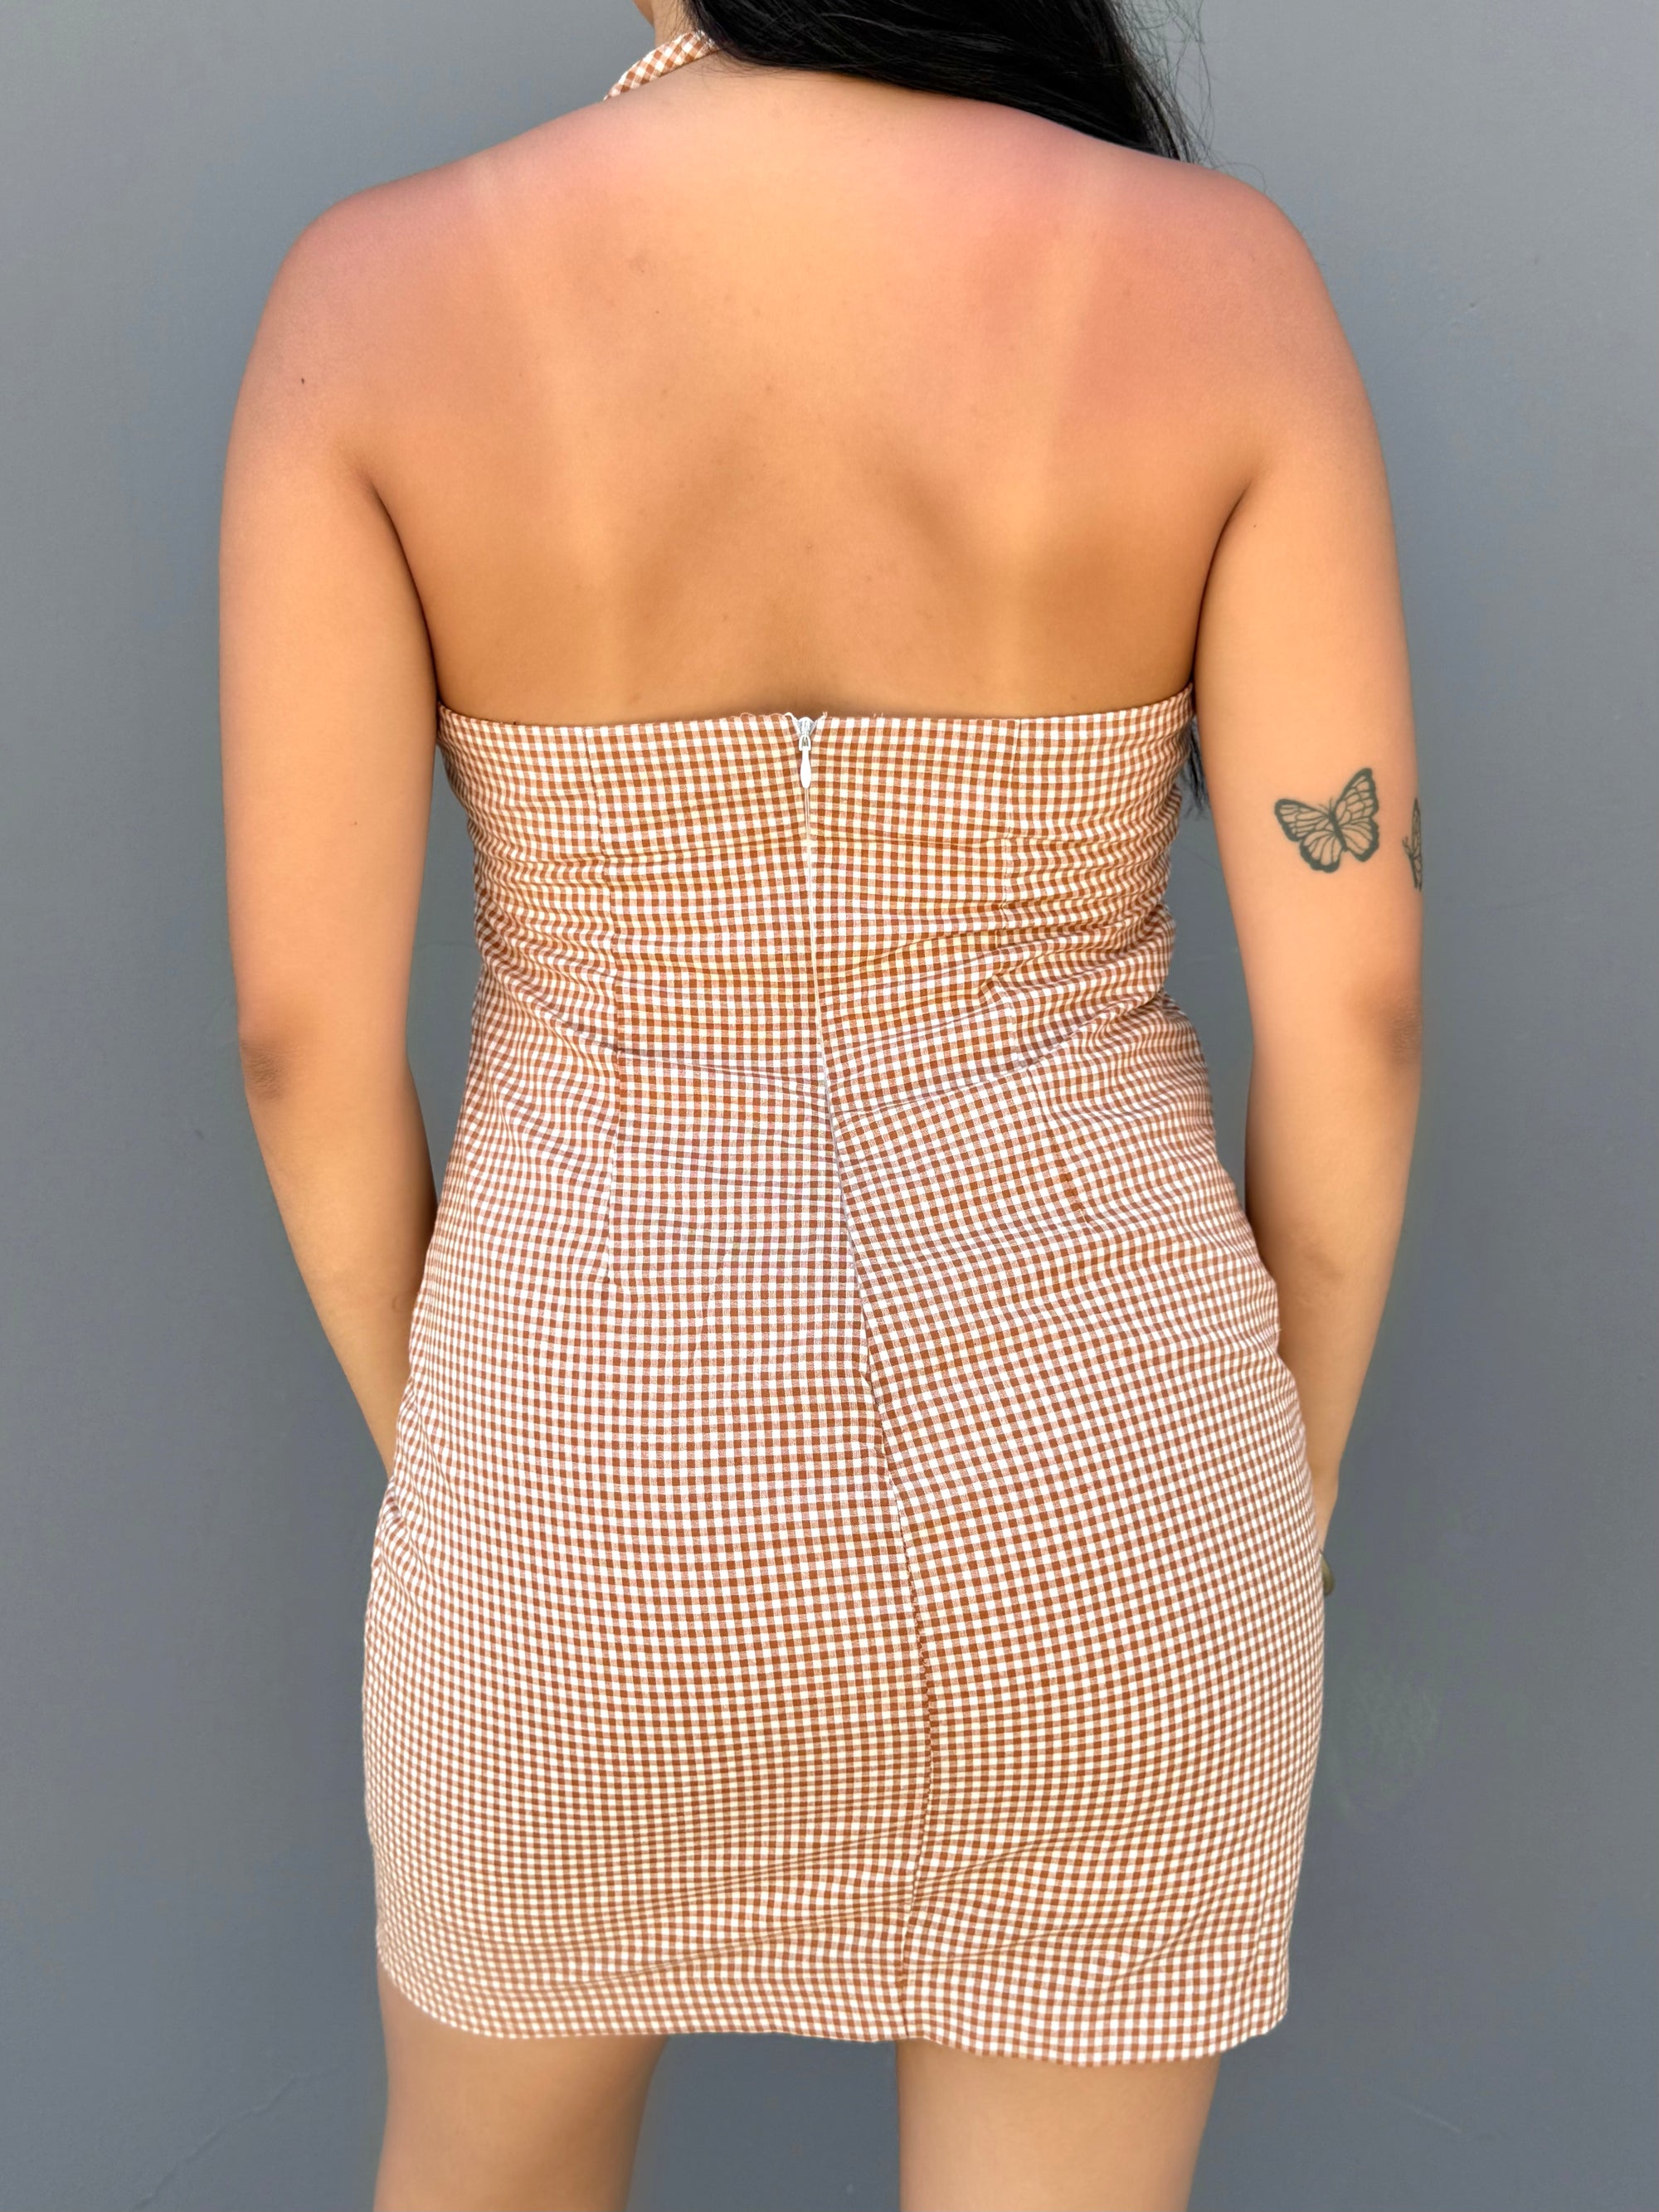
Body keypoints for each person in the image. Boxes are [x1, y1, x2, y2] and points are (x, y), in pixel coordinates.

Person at [218, 2, 1423, 2205]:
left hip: (576, 1465)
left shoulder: (370, 302)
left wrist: (482, 1476)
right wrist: (1273, 1485)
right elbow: (1362, 1011)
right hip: (1112, 1484)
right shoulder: (1214, 279)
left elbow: (301, 1034)